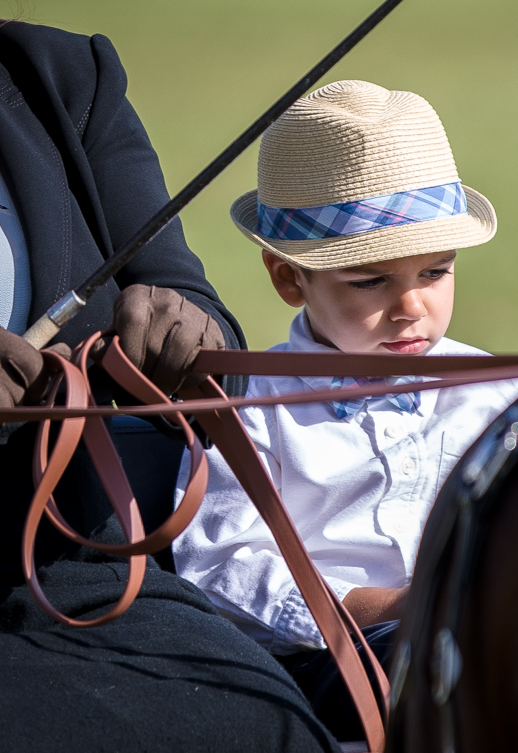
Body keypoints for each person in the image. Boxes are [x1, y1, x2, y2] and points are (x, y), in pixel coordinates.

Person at [0, 19, 337, 753]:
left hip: (73, 570)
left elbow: (199, 313)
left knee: (267, 721)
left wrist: (188, 339)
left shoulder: (64, 77)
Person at [173, 79, 518, 740]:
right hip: (331, 659)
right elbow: (221, 565)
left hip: (487, 631)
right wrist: (391, 605)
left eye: (436, 271)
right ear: (287, 278)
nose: (411, 306)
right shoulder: (250, 408)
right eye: (371, 281)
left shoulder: (496, 391)